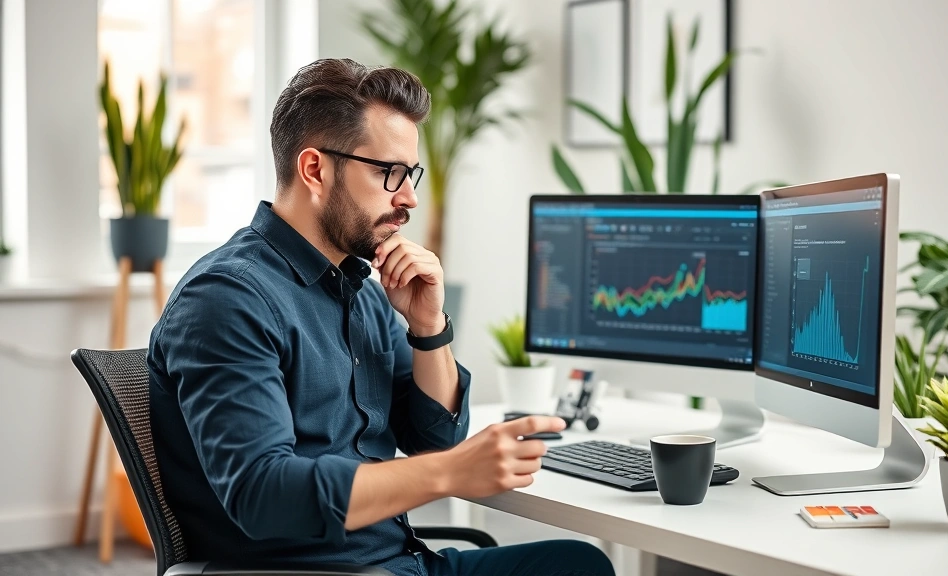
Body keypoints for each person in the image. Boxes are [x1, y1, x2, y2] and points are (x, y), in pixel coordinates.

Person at [147, 58, 615, 576]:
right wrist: (447, 474)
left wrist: (427, 328)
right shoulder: (228, 299)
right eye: (388, 172)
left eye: (409, 173)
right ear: (314, 170)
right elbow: (262, 495)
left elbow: (435, 440)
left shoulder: (362, 290)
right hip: (315, 571)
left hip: (397, 562)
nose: (410, 197)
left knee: (578, 564)